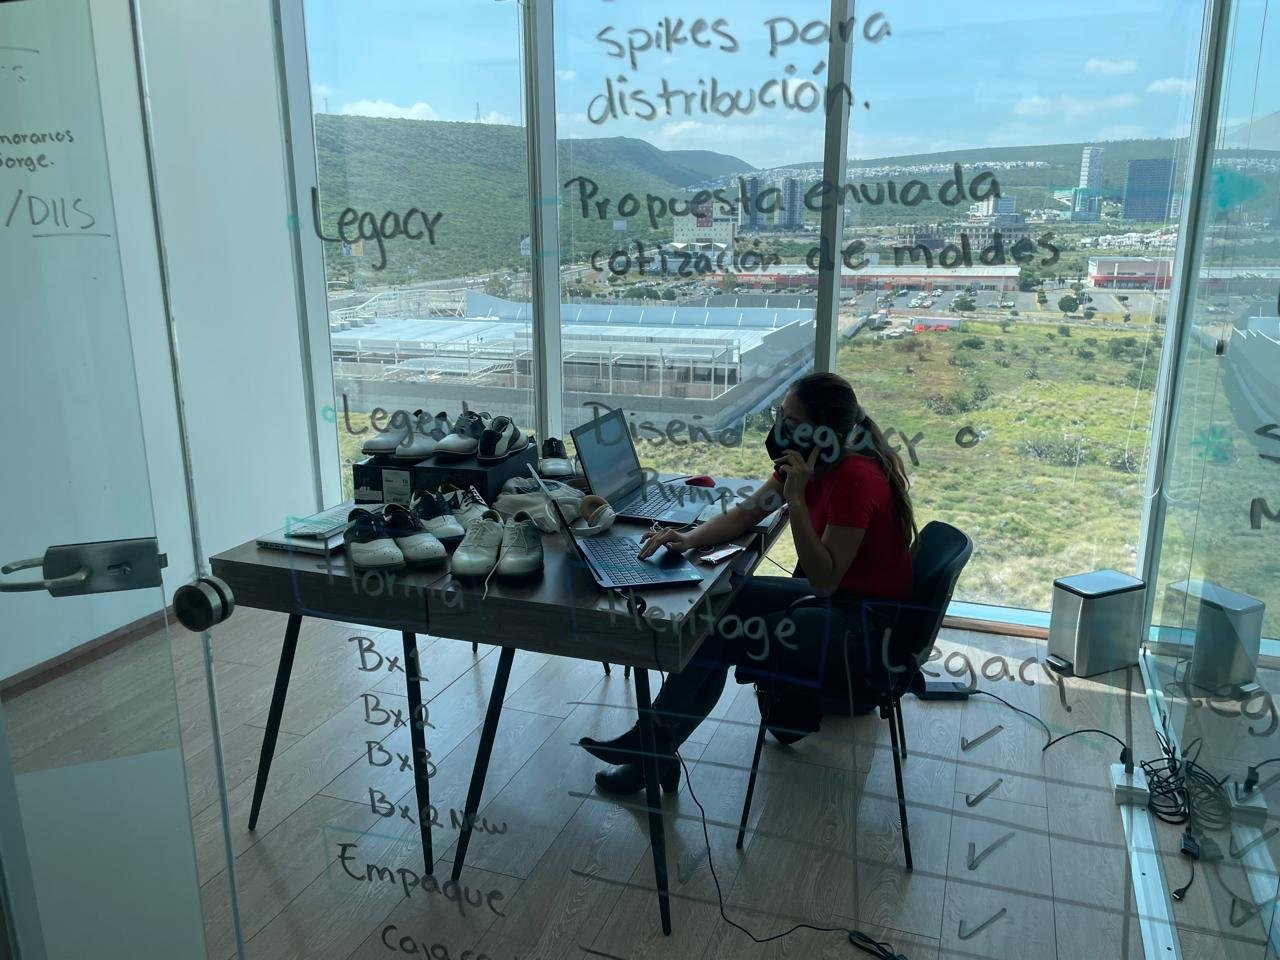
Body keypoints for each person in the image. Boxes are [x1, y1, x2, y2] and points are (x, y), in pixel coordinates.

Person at [580, 371, 917, 795]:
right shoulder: (811, 458)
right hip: (837, 599)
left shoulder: (853, 477)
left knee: (720, 631)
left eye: (791, 420)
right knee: (719, 609)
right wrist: (687, 539)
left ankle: (650, 746)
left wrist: (796, 500)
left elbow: (826, 579)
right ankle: (654, 748)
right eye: (783, 414)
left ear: (823, 431)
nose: (781, 427)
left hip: (865, 621)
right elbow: (746, 514)